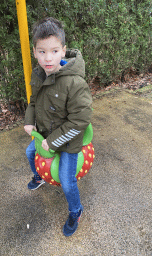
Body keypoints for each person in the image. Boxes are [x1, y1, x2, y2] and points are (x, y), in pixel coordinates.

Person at [24, 17, 92, 237]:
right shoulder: (38, 74)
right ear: (35, 52)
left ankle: (76, 210)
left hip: (67, 142)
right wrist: (28, 120)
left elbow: (79, 121)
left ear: (63, 51)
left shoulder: (74, 83)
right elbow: (34, 102)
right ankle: (40, 177)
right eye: (42, 52)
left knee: (66, 180)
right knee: (29, 152)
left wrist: (52, 141)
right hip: (43, 133)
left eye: (54, 51)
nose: (48, 58)